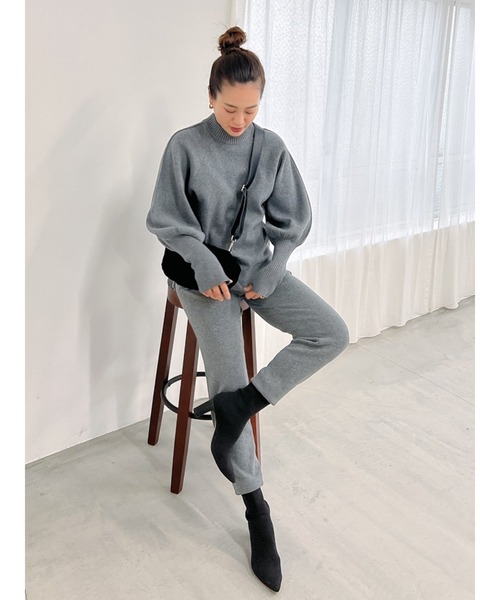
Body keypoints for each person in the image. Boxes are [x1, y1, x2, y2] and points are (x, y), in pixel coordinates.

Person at [146, 26, 349, 592]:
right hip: (203, 281)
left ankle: (239, 407)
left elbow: (293, 219)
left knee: (331, 333)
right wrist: (204, 265)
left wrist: (276, 265)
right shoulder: (185, 146)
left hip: (257, 273)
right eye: (230, 108)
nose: (240, 120)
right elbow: (165, 219)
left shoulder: (271, 147)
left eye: (251, 109)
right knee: (228, 373)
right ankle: (256, 507)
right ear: (211, 97)